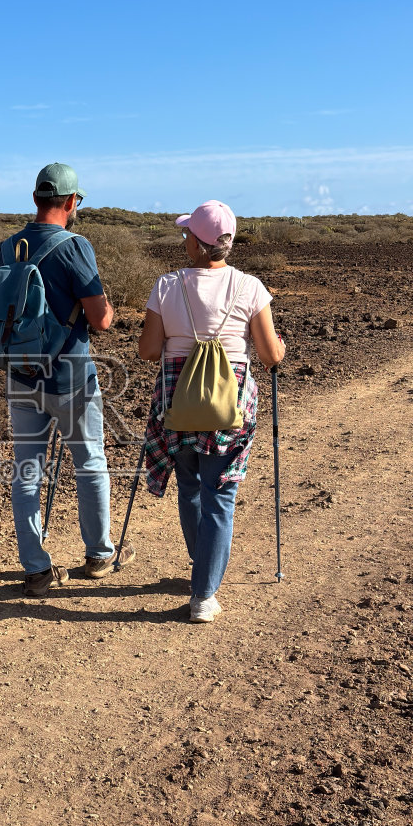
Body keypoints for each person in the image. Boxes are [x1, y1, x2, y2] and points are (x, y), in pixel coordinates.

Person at [137, 200, 285, 622]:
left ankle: (201, 574)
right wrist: (281, 349)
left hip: (177, 400)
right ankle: (204, 592)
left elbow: (149, 351)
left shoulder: (166, 286)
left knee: (190, 487)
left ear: (199, 244)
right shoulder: (250, 287)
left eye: (186, 235)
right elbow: (271, 355)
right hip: (229, 403)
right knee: (220, 494)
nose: (183, 240)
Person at [0, 163, 133, 597]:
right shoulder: (76, 246)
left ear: (35, 198)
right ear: (72, 203)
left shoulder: (7, 247)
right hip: (70, 376)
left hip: (19, 374)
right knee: (90, 463)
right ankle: (99, 555)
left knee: (27, 471)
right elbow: (101, 320)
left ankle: (36, 568)